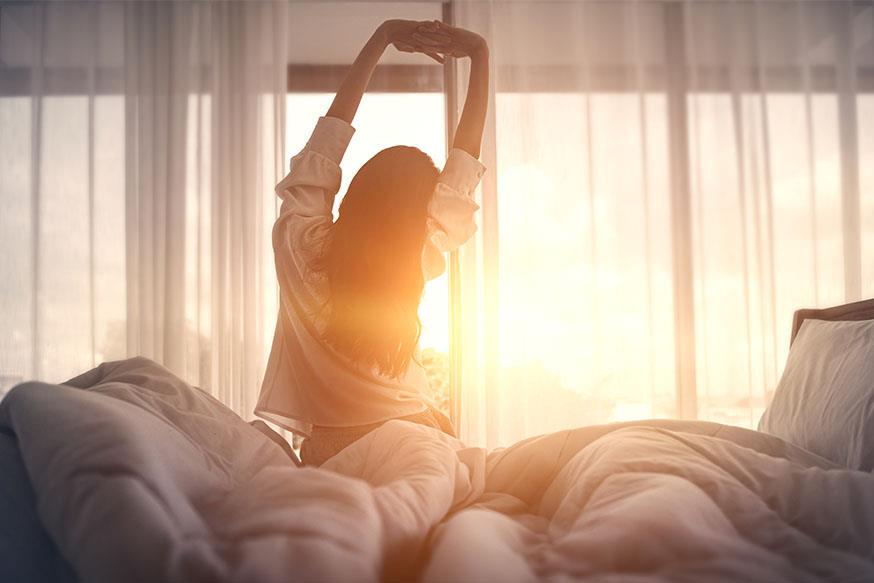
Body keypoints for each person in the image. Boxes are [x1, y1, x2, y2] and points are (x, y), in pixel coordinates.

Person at [254, 20, 489, 466]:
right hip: (418, 433)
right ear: (418, 214)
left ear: (357, 191)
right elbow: (463, 166)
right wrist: (479, 55)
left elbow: (326, 143)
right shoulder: (416, 256)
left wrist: (381, 38)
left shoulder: (298, 242)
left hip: (330, 448)